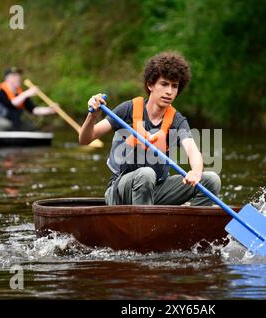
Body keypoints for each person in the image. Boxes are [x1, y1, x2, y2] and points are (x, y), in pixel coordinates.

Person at [79, 52, 221, 206]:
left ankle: (189, 227)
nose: (169, 91)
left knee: (211, 180)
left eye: (175, 86)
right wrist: (92, 116)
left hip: (156, 190)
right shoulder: (127, 109)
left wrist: (196, 171)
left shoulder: (177, 120)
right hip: (120, 191)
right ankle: (144, 227)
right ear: (150, 85)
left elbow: (193, 151)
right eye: (164, 84)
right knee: (146, 174)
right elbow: (85, 139)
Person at [0, 67, 56, 131]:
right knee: (6, 125)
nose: (18, 77)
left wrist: (49, 110)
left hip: (12, 122)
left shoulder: (20, 93)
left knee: (30, 126)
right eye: (14, 76)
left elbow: (33, 109)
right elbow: (12, 103)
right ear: (7, 78)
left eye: (18, 75)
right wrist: (27, 93)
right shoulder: (0, 92)